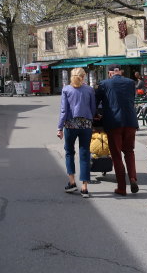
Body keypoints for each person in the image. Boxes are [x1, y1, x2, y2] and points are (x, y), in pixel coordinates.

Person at [96, 64, 139, 196]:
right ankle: (132, 178)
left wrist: (96, 115)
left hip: (114, 123)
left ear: (110, 73)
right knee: (129, 152)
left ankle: (121, 187)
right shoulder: (131, 82)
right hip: (131, 122)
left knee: (116, 155)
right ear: (120, 72)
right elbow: (131, 99)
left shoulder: (103, 84)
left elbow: (96, 102)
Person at [57, 67, 96, 198]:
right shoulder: (89, 90)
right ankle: (84, 187)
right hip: (86, 124)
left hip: (70, 124)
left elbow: (64, 110)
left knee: (69, 152)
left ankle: (72, 182)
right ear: (84, 76)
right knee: (84, 153)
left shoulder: (66, 89)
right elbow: (93, 108)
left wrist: (59, 128)